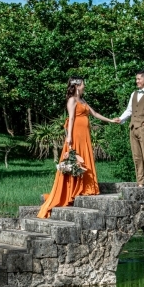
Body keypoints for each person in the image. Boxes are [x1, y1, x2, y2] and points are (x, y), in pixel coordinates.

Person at [37, 76, 119, 219]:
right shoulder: (72, 100)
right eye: (83, 85)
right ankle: (73, 189)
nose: (84, 86)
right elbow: (71, 118)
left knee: (84, 159)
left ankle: (85, 187)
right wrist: (69, 136)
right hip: (76, 134)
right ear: (77, 86)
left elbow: (94, 114)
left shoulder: (83, 100)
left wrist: (111, 120)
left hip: (85, 135)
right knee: (75, 160)